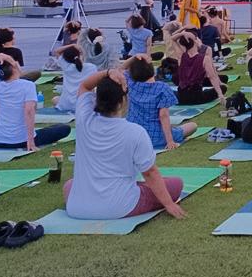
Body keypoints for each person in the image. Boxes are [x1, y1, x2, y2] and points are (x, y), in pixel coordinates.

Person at [64, 68, 186, 220]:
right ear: (122, 101)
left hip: (78, 206)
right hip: (119, 206)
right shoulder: (135, 132)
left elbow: (84, 86)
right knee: (175, 184)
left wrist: (107, 72)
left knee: (70, 184)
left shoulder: (84, 120)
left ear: (97, 99)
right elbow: (150, 173)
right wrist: (169, 204)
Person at [0, 54, 70, 150]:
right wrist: (30, 141)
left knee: (47, 130)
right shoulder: (28, 85)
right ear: (14, 68)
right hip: (20, 141)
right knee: (64, 128)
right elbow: (29, 111)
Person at [124, 55, 196, 150]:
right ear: (152, 70)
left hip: (133, 136)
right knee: (193, 126)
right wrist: (170, 141)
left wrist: (135, 57)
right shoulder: (162, 88)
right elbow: (163, 116)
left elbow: (120, 68)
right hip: (156, 137)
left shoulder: (131, 84)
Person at [171, 29, 228, 107]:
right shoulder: (205, 58)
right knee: (223, 88)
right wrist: (220, 95)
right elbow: (212, 77)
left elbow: (173, 39)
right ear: (195, 41)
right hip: (197, 97)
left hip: (181, 97)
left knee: (171, 92)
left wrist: (183, 33)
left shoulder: (181, 56)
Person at [52, 45, 97, 113]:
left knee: (55, 99)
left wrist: (72, 45)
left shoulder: (65, 66)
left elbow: (56, 51)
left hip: (67, 105)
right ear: (80, 54)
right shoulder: (91, 67)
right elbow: (93, 88)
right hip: (84, 105)